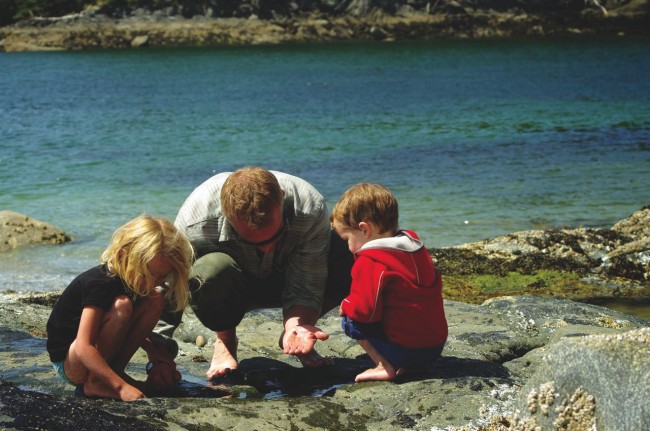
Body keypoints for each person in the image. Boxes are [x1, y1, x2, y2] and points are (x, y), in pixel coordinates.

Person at [149, 166, 353, 381]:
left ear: (281, 198)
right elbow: (169, 287)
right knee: (210, 270)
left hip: (285, 277)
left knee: (350, 251)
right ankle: (226, 341)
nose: (266, 249)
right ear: (226, 215)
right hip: (229, 284)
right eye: (251, 240)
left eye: (274, 237)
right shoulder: (196, 219)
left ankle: (296, 334)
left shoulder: (308, 205)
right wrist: (160, 356)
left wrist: (296, 325)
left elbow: (308, 280)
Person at [46, 214, 193, 401]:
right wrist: (121, 387)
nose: (159, 282)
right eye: (153, 274)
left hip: (89, 356)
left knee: (155, 299)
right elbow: (84, 346)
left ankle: (113, 373)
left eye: (163, 277)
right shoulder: (100, 283)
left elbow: (127, 325)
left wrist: (151, 349)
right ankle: (95, 383)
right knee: (121, 306)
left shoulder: (135, 279)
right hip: (70, 362)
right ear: (124, 256)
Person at [330, 183, 448, 382]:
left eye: (347, 239)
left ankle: (383, 366)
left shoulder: (370, 261)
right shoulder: (413, 245)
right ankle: (414, 367)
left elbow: (365, 312)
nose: (348, 247)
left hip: (407, 351)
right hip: (435, 347)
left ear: (365, 229)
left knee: (350, 320)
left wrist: (347, 304)